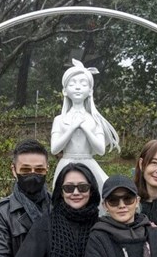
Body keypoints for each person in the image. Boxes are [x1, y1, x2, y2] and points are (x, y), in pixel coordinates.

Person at [50, 59, 120, 191]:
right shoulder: (59, 119)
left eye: (83, 84)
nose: (77, 87)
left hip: (89, 166)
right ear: (65, 91)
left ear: (90, 91)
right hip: (66, 165)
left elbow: (100, 150)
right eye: (72, 84)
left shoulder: (94, 120)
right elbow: (54, 149)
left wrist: (86, 128)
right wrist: (71, 128)